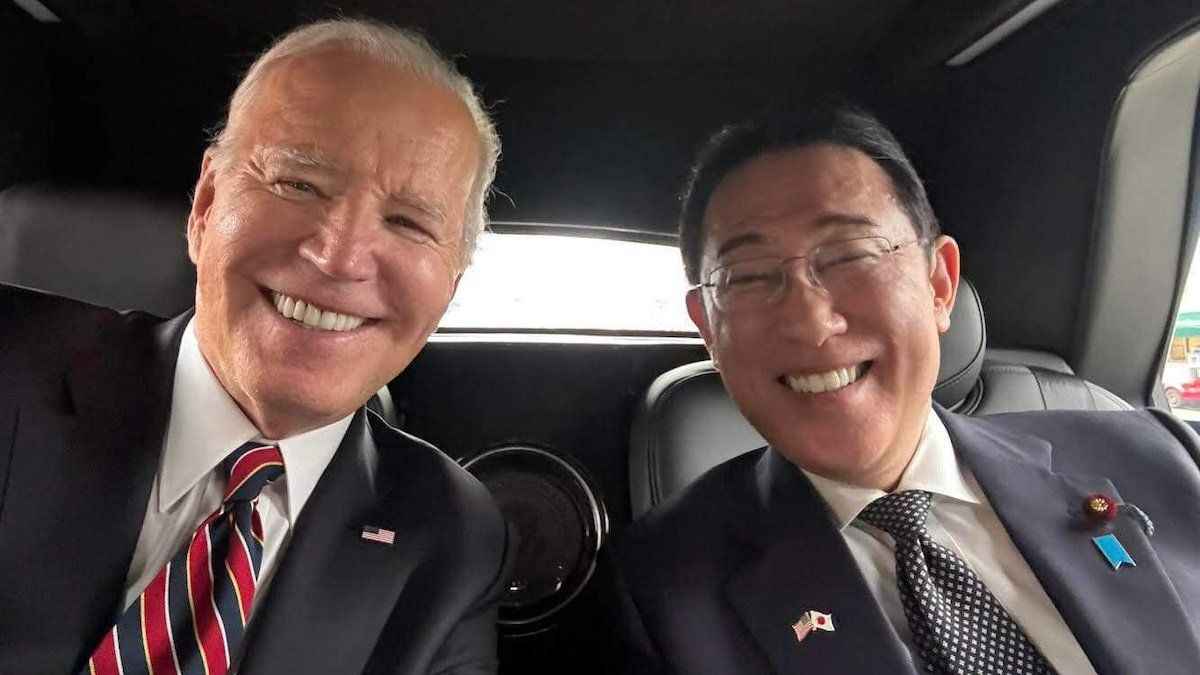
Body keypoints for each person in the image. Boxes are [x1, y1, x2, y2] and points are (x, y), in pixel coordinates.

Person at [598, 101, 1200, 674]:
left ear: (939, 283)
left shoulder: (1160, 456)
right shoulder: (662, 593)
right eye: (749, 277)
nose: (811, 323)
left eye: (851, 255)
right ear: (708, 328)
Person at [0, 19, 508, 675]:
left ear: (451, 285)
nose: (340, 256)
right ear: (207, 205)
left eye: (408, 222)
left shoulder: (452, 532)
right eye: (299, 183)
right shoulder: (11, 363)